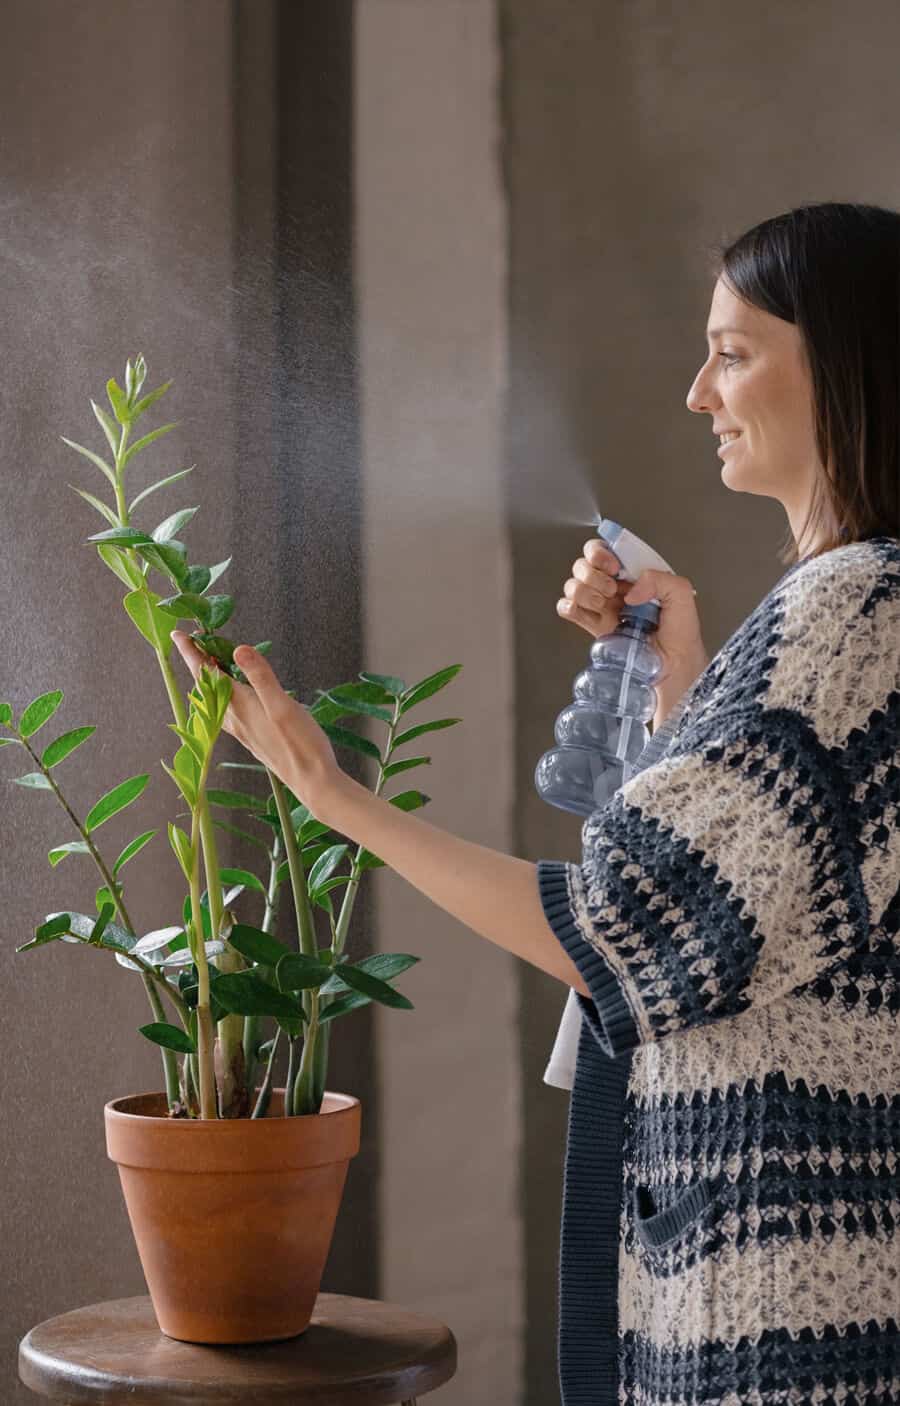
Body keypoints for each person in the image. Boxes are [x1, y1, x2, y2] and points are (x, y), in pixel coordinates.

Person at [171, 201, 900, 1406]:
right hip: (767, 1293)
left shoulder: (855, 613)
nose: (697, 392)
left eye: (732, 350)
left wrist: (323, 786)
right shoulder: (827, 609)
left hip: (789, 1324)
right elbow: (740, 902)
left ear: (848, 361)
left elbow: (622, 924)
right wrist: (687, 674)